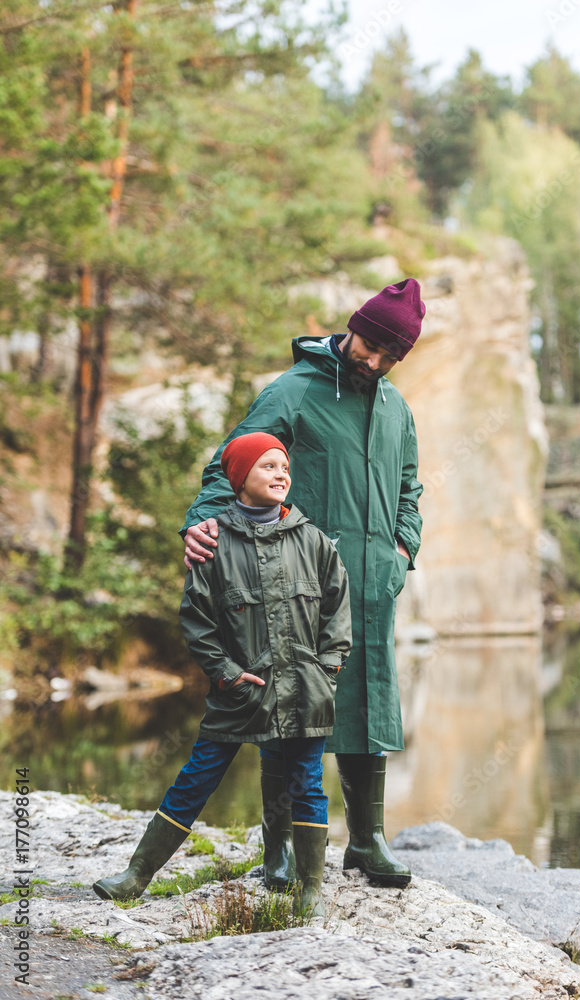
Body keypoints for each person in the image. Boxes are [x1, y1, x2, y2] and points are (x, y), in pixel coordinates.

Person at [183, 279, 424, 889]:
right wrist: (200, 523)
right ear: (352, 327)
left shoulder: (397, 408)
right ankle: (280, 851)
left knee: (368, 703)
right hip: (296, 584)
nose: (372, 361)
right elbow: (230, 461)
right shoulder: (294, 390)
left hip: (371, 588)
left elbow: (409, 491)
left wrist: (401, 549)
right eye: (367, 345)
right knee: (287, 708)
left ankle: (367, 842)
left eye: (387, 356)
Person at [93, 432, 351, 916]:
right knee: (195, 779)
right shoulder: (212, 542)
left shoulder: (314, 541)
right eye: (268, 467)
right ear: (240, 479)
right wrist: (227, 672)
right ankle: (136, 876)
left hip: (305, 692)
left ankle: (309, 893)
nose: (281, 474)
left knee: (308, 785)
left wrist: (330, 667)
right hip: (239, 693)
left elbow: (338, 607)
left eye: (284, 467)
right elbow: (197, 618)